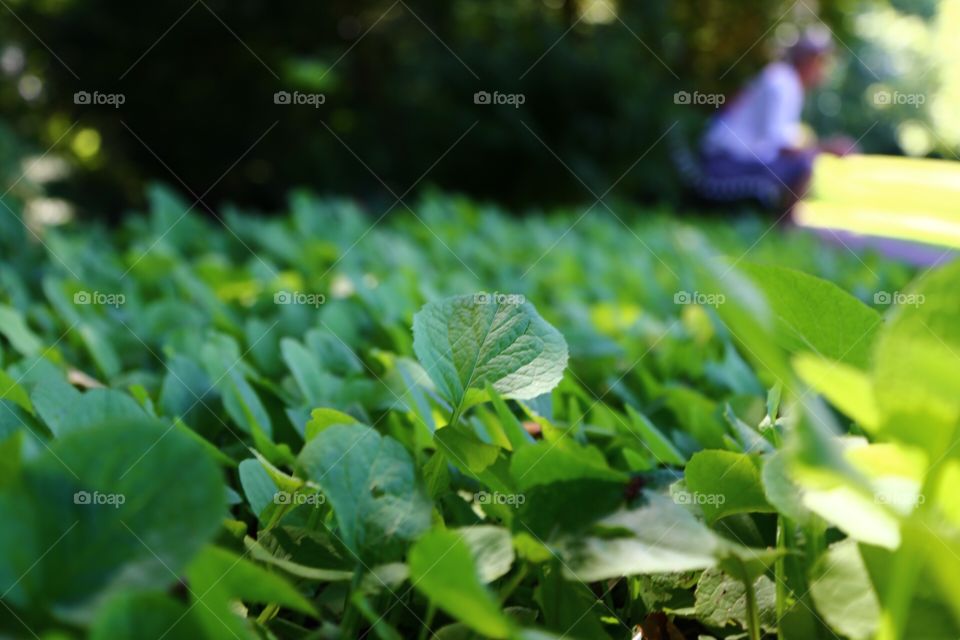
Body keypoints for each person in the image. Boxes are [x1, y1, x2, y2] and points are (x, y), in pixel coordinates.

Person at [700, 27, 857, 210]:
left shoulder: (785, 81)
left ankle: (776, 225)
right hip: (724, 164)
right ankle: (783, 228)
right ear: (810, 60)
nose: (825, 71)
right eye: (823, 63)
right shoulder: (781, 83)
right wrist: (826, 148)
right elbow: (780, 144)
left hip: (730, 160)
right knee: (803, 165)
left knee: (803, 161)